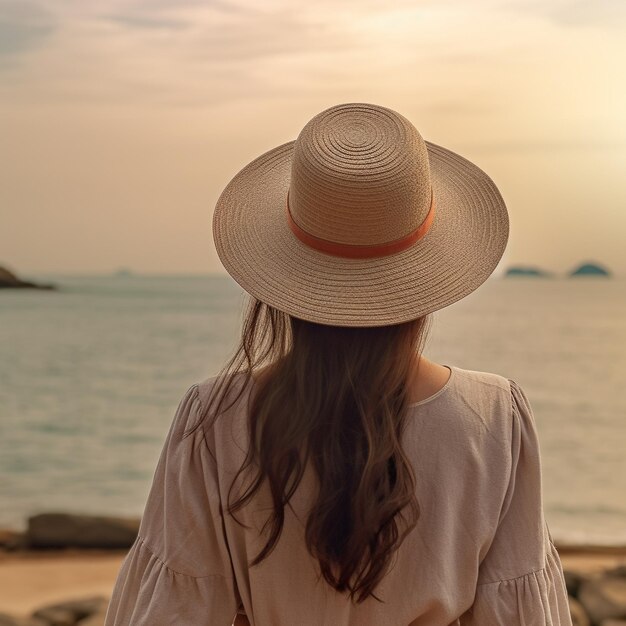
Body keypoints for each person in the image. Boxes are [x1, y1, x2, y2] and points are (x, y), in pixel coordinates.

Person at [104, 103, 572, 625]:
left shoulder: (214, 418)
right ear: (425, 273)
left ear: (283, 276)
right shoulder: (494, 418)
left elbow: (178, 611)